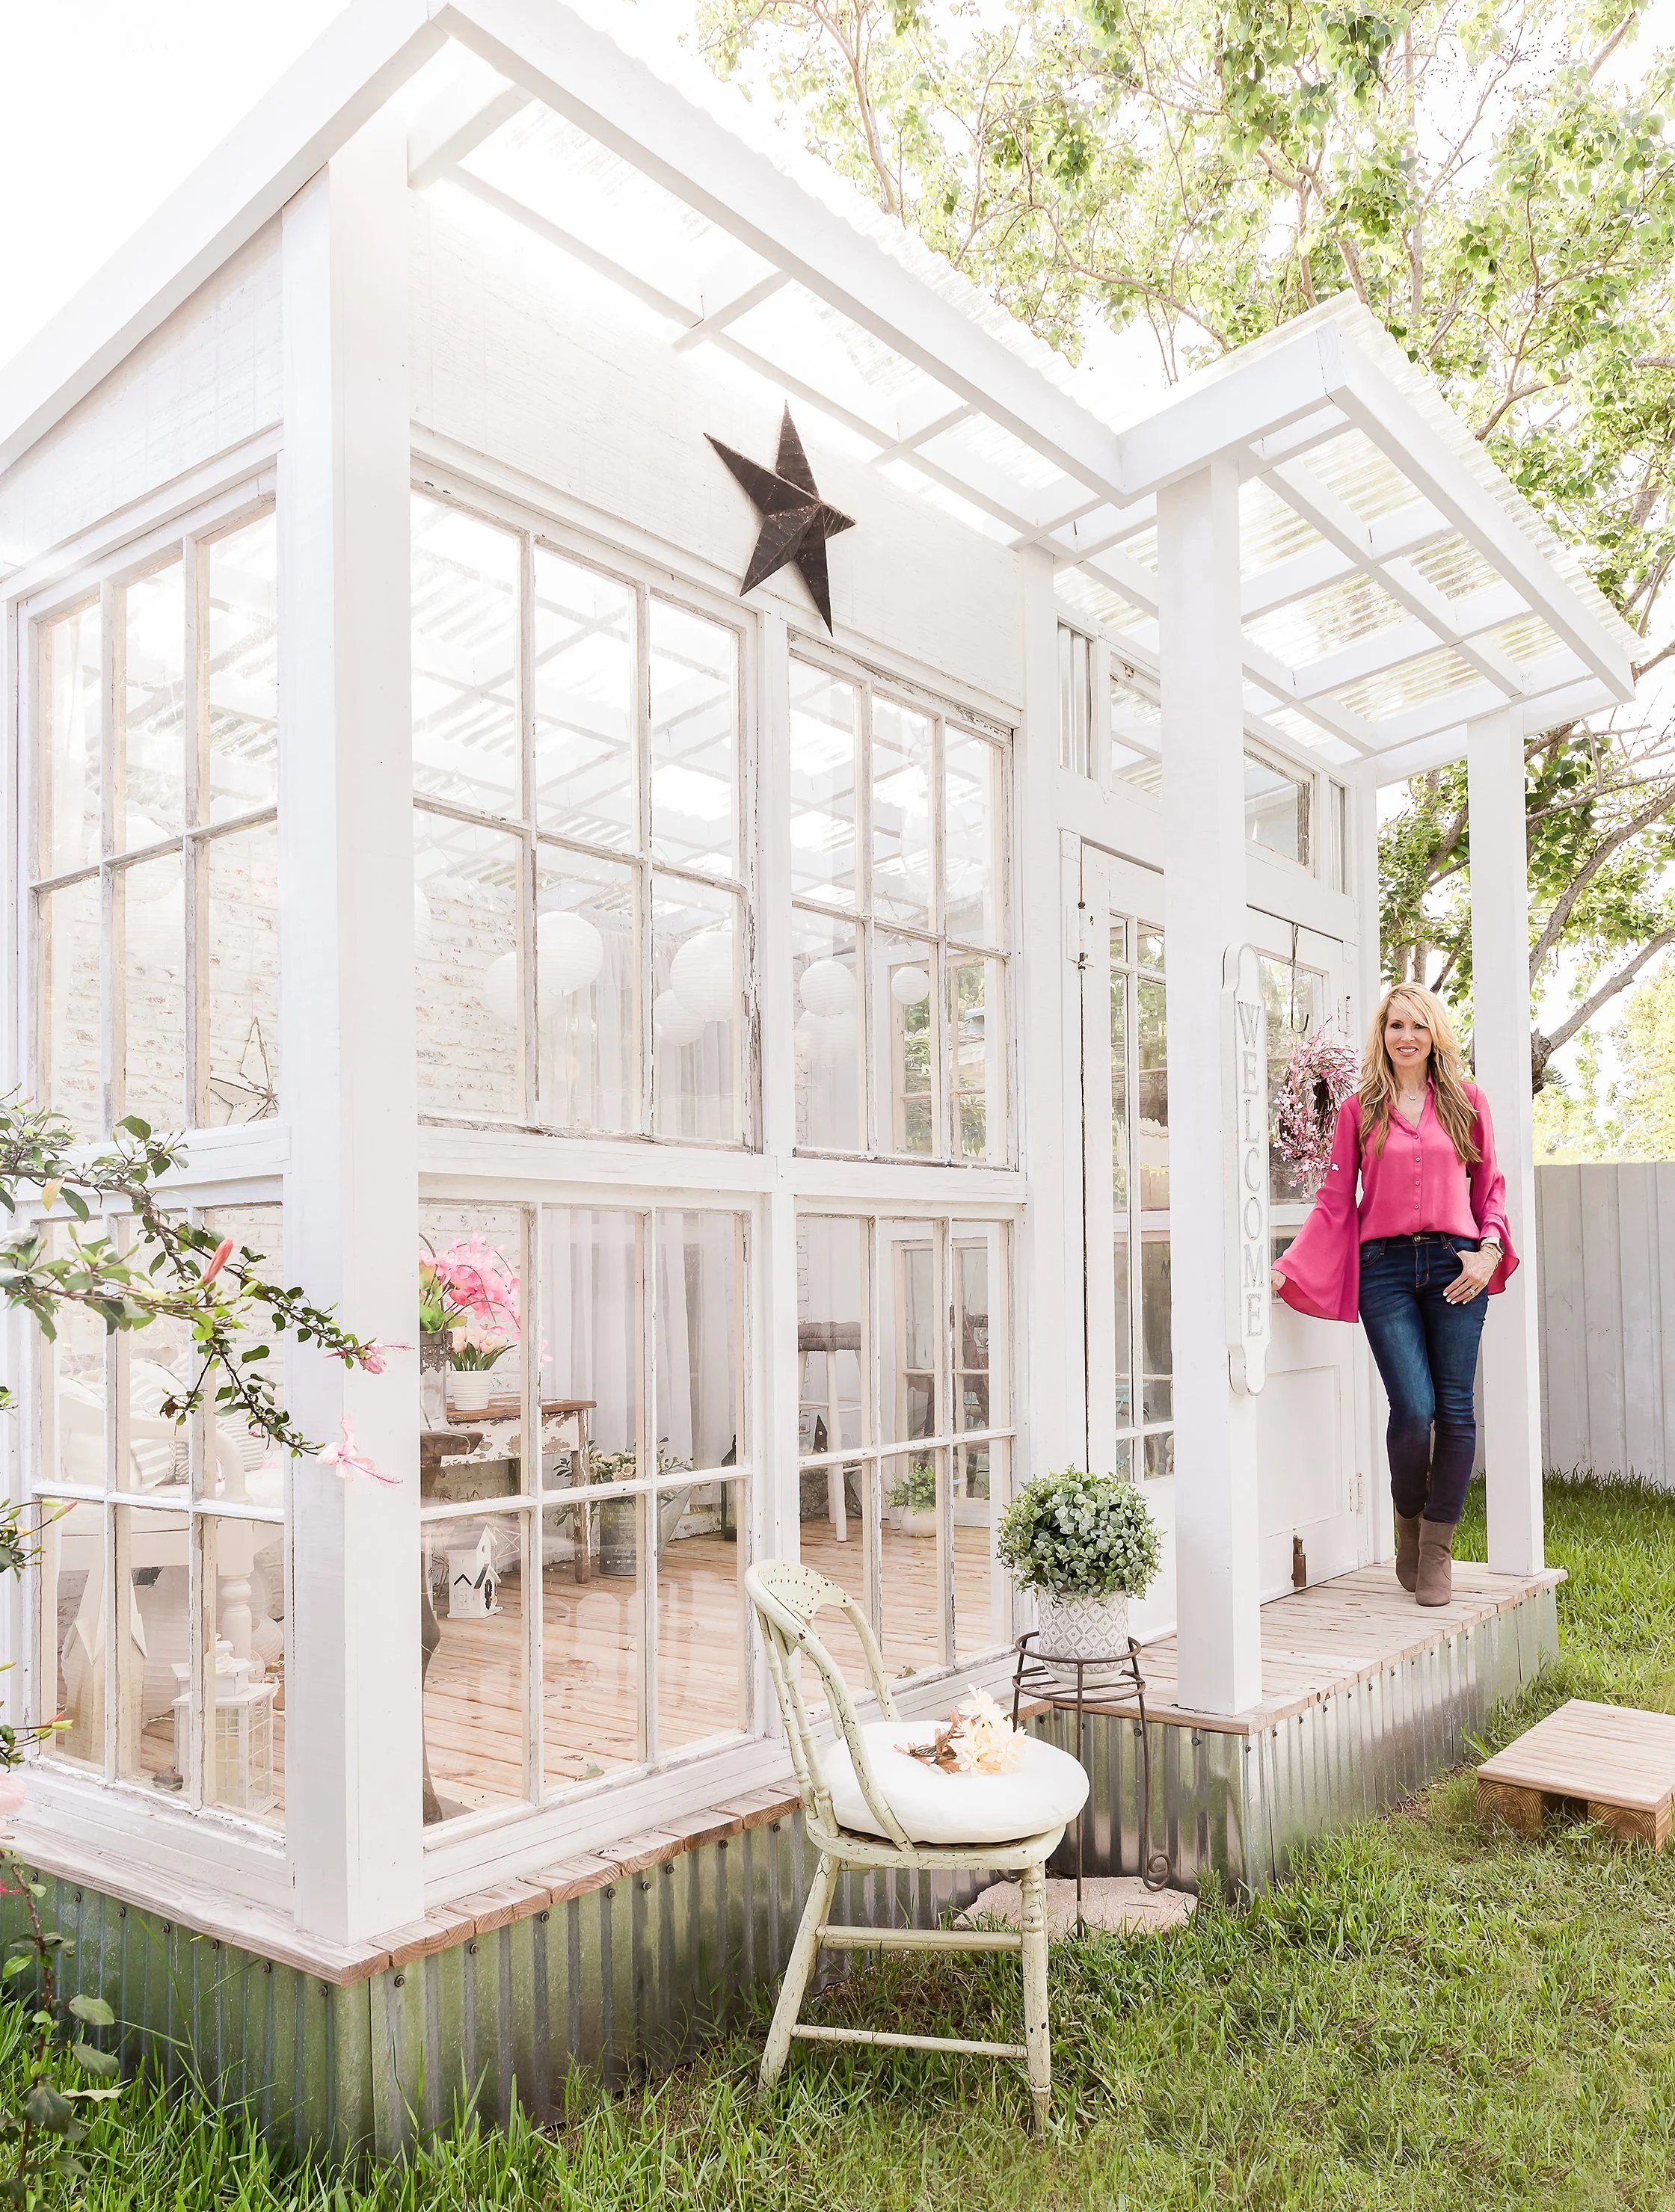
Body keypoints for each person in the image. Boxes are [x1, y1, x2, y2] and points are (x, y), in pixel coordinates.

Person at [1270, 984, 1517, 1606]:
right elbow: (1334, 1200)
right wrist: (1289, 1265)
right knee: (1412, 1407)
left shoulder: (1468, 1102)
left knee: (1455, 1410)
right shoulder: (1360, 1109)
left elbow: (1492, 1187)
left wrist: (1489, 1251)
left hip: (1456, 1265)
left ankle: (1436, 1549)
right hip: (1383, 1268)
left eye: (1418, 1025)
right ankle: (1408, 1518)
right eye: (1395, 1025)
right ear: (1383, 1035)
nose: (1406, 1036)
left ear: (1435, 1034)